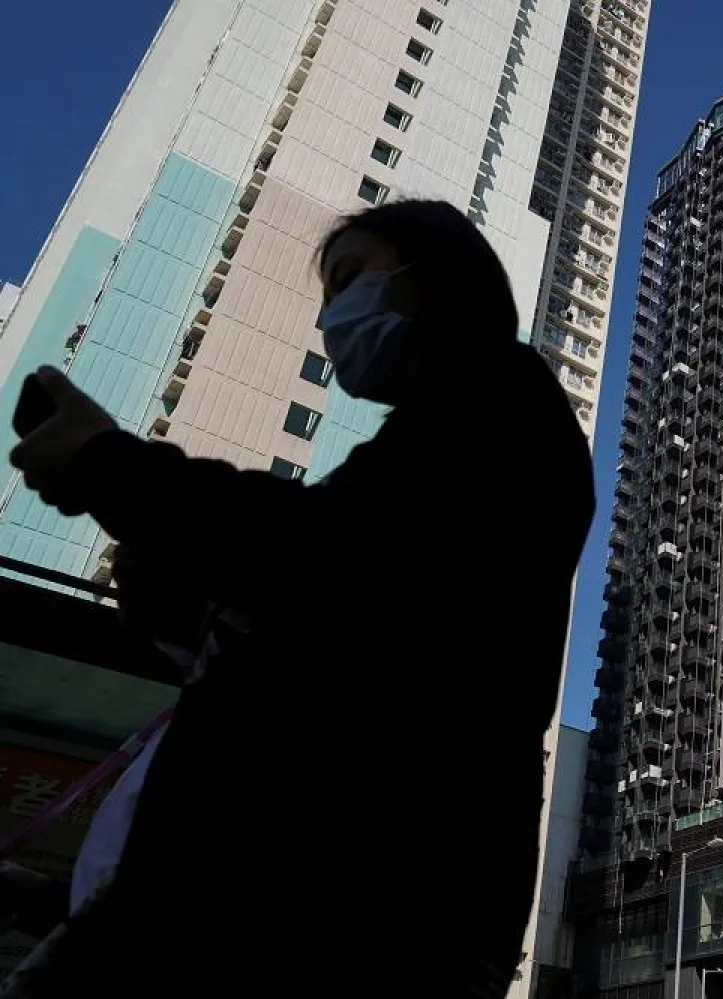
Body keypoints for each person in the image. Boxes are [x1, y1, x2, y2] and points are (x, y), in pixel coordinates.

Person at [4, 200, 594, 995]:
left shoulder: (501, 402)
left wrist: (113, 466)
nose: (330, 315)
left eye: (350, 278)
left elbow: (331, 559)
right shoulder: (439, 438)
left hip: (355, 918)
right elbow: (339, 614)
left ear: (434, 276)